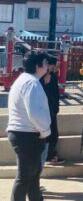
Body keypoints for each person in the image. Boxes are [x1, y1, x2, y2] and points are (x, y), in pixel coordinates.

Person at [6, 51, 52, 201]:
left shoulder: (24, 80)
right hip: (28, 134)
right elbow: (34, 113)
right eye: (45, 63)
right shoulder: (32, 83)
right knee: (26, 176)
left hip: (22, 133)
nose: (47, 66)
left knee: (32, 175)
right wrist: (45, 131)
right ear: (38, 66)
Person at [40, 56, 65, 166]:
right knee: (47, 135)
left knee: (54, 134)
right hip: (43, 110)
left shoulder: (53, 76)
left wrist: (56, 107)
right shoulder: (39, 78)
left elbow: (55, 93)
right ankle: (48, 156)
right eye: (52, 66)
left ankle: (51, 155)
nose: (53, 68)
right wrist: (44, 83)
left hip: (52, 109)